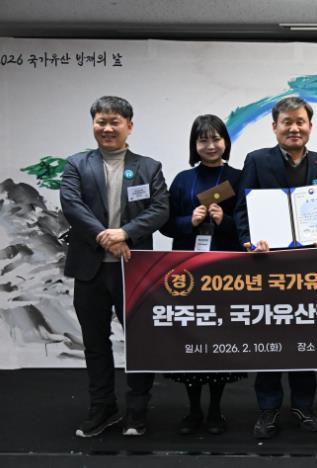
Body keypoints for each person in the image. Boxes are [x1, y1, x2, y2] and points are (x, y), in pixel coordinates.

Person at [60, 96, 169, 437]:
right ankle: (102, 408)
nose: (107, 128)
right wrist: (105, 237)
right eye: (101, 121)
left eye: (115, 122)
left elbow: (160, 209)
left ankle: (137, 411)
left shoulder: (149, 167)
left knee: (140, 341)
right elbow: (72, 205)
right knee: (95, 343)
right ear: (93, 124)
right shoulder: (77, 164)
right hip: (90, 269)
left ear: (129, 126)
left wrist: (125, 233)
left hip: (133, 269)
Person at [233, 96, 317, 439]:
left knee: (306, 337)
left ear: (310, 126)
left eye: (300, 121)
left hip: (309, 267)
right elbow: (242, 209)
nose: (294, 128)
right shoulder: (256, 160)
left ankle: (304, 405)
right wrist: (249, 242)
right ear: (274, 126)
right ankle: (268, 408)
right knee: (269, 338)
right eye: (287, 122)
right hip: (268, 264)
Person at [160, 114, 244, 435]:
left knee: (219, 341)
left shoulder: (237, 177)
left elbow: (249, 227)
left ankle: (216, 411)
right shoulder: (183, 180)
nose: (210, 146)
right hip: (188, 273)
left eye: (216, 139)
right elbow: (166, 225)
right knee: (191, 341)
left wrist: (225, 221)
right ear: (194, 145)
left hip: (225, 273)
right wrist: (189, 221)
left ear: (226, 142)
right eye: (203, 140)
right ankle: (193, 410)